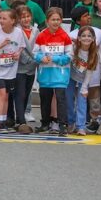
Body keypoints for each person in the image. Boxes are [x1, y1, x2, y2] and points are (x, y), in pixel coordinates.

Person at [33, 7, 73, 136]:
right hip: (45, 74)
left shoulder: (65, 36)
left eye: (58, 19)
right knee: (45, 99)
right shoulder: (41, 35)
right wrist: (41, 58)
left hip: (60, 75)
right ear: (47, 21)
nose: (55, 22)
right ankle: (45, 123)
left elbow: (70, 56)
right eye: (53, 19)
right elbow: (35, 53)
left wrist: (54, 58)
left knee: (61, 100)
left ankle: (62, 125)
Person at [0, 9, 25, 133]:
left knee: (6, 97)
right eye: (0, 18)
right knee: (1, 95)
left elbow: (22, 46)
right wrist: (2, 44)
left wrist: (18, 54)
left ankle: (3, 122)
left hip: (11, 71)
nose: (1, 21)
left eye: (4, 18)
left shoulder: (18, 32)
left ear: (12, 21)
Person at [68, 27, 99, 136]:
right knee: (69, 100)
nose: (86, 38)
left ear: (94, 38)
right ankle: (70, 122)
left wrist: (85, 87)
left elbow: (89, 72)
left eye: (89, 36)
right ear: (79, 38)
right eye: (84, 36)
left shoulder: (94, 53)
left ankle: (81, 126)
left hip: (83, 80)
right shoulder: (74, 47)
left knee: (82, 101)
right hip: (70, 77)